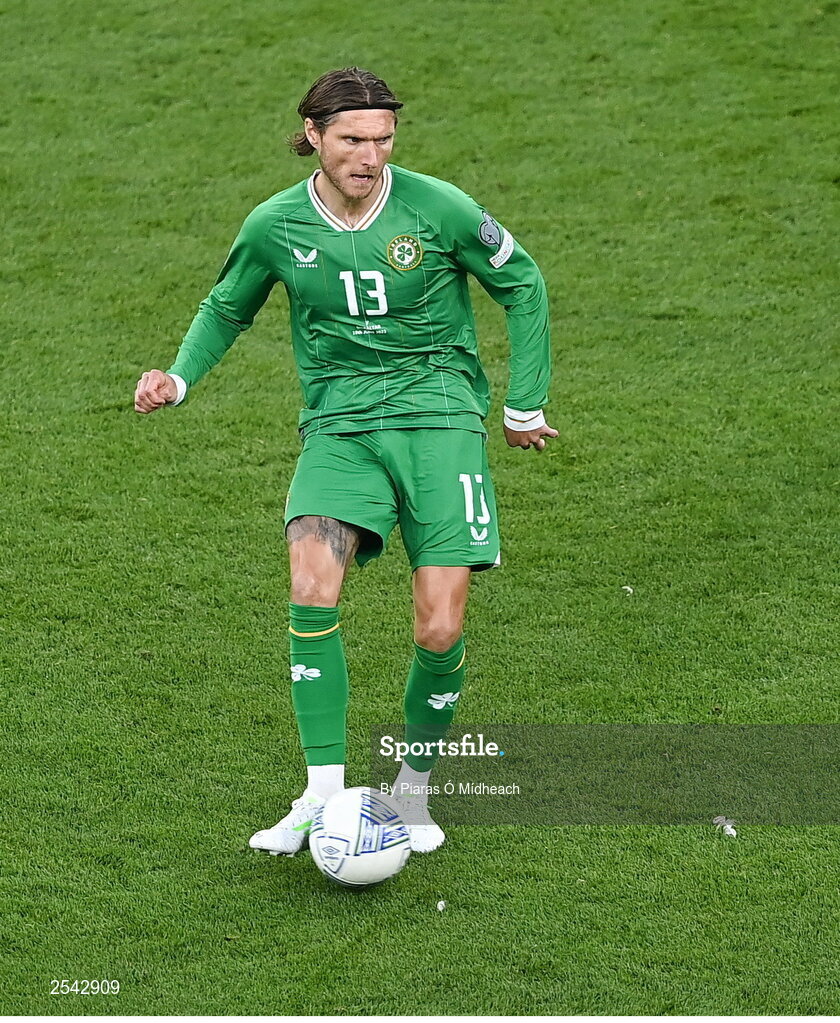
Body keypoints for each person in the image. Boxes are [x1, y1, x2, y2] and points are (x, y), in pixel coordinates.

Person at [134, 67, 556, 855]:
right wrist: (178, 377)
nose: (371, 155)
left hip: (439, 420)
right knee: (309, 584)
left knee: (438, 628)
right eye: (354, 139)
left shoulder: (438, 208)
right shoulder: (276, 225)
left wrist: (523, 403)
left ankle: (412, 790)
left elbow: (521, 281)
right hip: (341, 423)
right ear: (315, 136)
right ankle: (321, 795)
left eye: (384, 139)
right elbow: (227, 305)